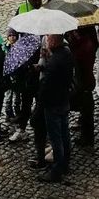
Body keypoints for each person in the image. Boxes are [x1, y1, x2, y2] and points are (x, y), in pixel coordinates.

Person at [33, 34, 73, 183]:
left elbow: (47, 86)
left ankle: (56, 170)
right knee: (64, 134)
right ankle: (65, 164)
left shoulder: (54, 61)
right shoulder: (66, 53)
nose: (47, 40)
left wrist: (39, 105)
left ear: (55, 41)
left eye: (49, 38)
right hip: (63, 99)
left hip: (53, 104)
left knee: (56, 138)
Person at [68, 27, 96, 146]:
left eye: (75, 32)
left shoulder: (84, 47)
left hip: (84, 84)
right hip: (86, 82)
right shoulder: (86, 43)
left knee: (86, 112)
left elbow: (77, 60)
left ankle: (87, 139)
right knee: (86, 112)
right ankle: (87, 137)